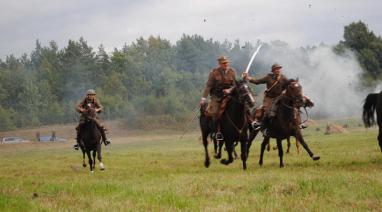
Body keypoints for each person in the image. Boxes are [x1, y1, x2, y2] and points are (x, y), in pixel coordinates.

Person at [242, 63, 289, 130]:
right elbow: (257, 81)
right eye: (276, 69)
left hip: (279, 97)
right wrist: (247, 77)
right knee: (267, 111)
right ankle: (263, 125)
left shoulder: (283, 78)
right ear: (273, 71)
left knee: (289, 107)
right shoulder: (268, 77)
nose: (278, 70)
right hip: (269, 98)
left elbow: (289, 85)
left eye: (279, 69)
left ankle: (295, 124)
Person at [200, 56, 237, 140]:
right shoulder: (214, 73)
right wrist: (203, 98)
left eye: (227, 62)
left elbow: (235, 85)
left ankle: (247, 127)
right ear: (220, 64)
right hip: (217, 97)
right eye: (224, 63)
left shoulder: (232, 71)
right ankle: (218, 132)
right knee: (215, 112)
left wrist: (230, 89)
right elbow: (208, 86)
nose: (226, 64)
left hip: (229, 96)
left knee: (242, 107)